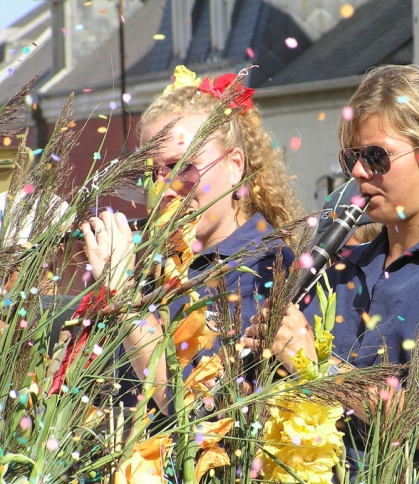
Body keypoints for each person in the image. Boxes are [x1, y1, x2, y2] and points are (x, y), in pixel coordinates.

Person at [245, 65, 419, 468]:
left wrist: (318, 365)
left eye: (377, 157)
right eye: (353, 158)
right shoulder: (345, 267)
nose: (360, 173)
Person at [80, 66, 302, 409]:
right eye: (154, 173)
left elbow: (186, 404)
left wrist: (121, 291)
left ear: (235, 165)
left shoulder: (266, 265)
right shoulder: (159, 263)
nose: (166, 188)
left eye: (183, 166)